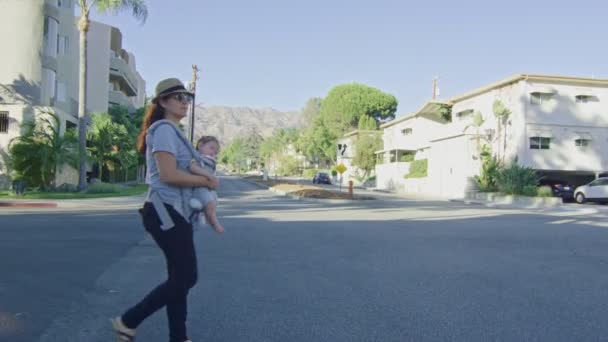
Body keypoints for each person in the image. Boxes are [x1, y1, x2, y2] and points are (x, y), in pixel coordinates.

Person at [111, 78, 218, 342]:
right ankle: (128, 320)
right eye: (178, 97)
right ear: (162, 102)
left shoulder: (175, 132)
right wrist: (206, 180)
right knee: (186, 277)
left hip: (174, 212)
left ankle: (178, 338)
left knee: (178, 278)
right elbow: (169, 175)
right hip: (163, 211)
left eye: (187, 98)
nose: (184, 102)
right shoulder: (163, 131)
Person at [189, 136, 225, 234]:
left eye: (216, 152)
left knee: (214, 201)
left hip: (207, 188)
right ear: (200, 145)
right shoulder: (197, 158)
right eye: (211, 148)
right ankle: (214, 222)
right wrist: (208, 175)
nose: (213, 152)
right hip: (199, 188)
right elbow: (193, 168)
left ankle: (206, 215)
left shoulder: (209, 160)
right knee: (210, 203)